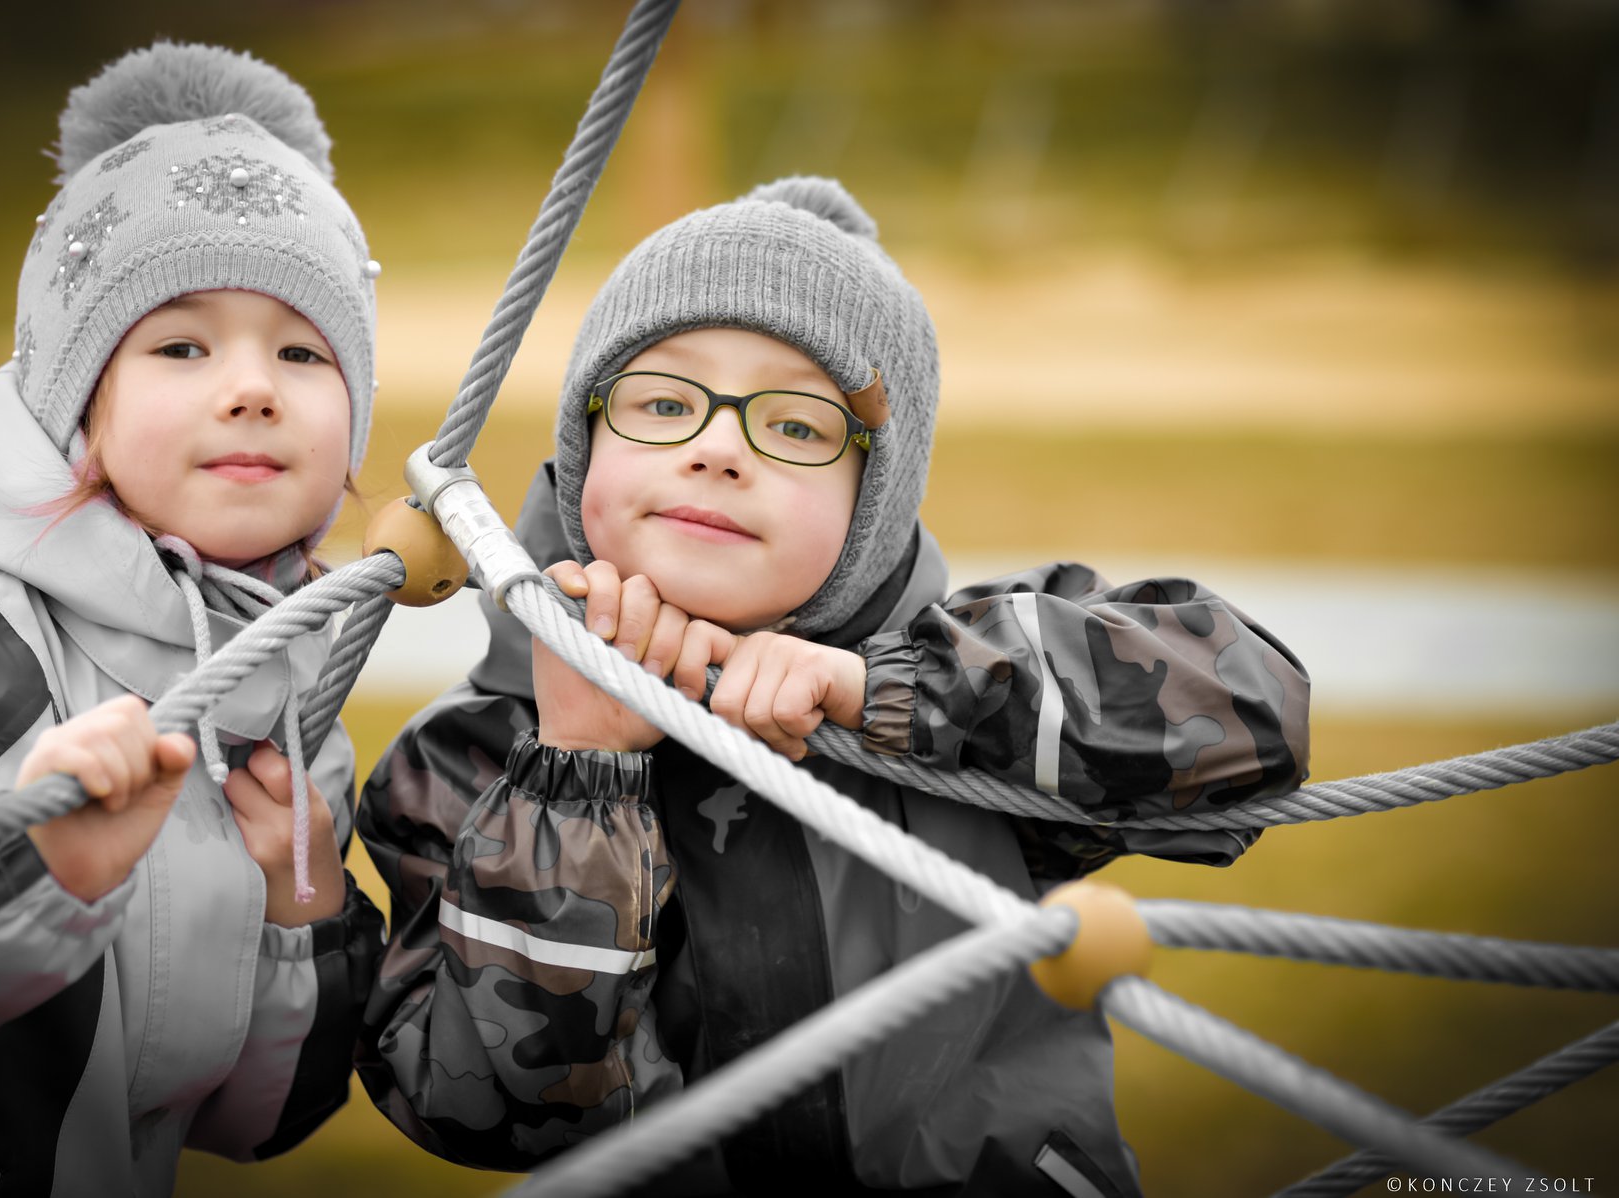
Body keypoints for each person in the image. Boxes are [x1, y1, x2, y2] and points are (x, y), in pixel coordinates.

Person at [355, 177, 1311, 1195]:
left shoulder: (950, 689)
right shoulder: (473, 755)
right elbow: (477, 1112)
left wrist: (885, 690)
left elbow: (1257, 719)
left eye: (799, 426)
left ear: (876, 498)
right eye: (665, 403)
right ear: (587, 440)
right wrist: (577, 777)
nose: (717, 448)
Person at [0, 43, 387, 1197]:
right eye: (180, 344)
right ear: (75, 397)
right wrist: (41, 870)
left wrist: (302, 918)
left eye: (303, 351)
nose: (253, 385)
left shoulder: (285, 676)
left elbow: (257, 1123)